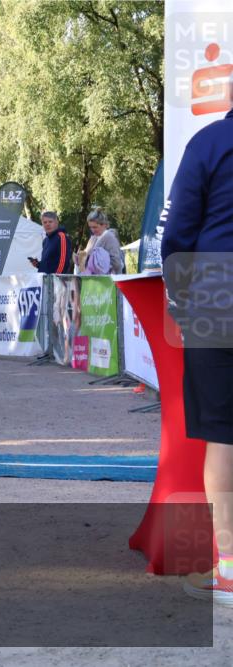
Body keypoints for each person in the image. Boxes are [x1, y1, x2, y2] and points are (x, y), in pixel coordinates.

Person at [161, 95, 233, 607]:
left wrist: (182, 295)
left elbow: (178, 233)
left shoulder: (208, 142)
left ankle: (230, 567)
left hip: (217, 296)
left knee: (224, 434)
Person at [75, 207, 123, 275]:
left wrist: (98, 263)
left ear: (104, 225)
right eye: (90, 227)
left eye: (95, 227)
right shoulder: (94, 238)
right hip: (95, 280)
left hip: (107, 281)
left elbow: (116, 263)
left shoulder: (110, 238)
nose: (92, 230)